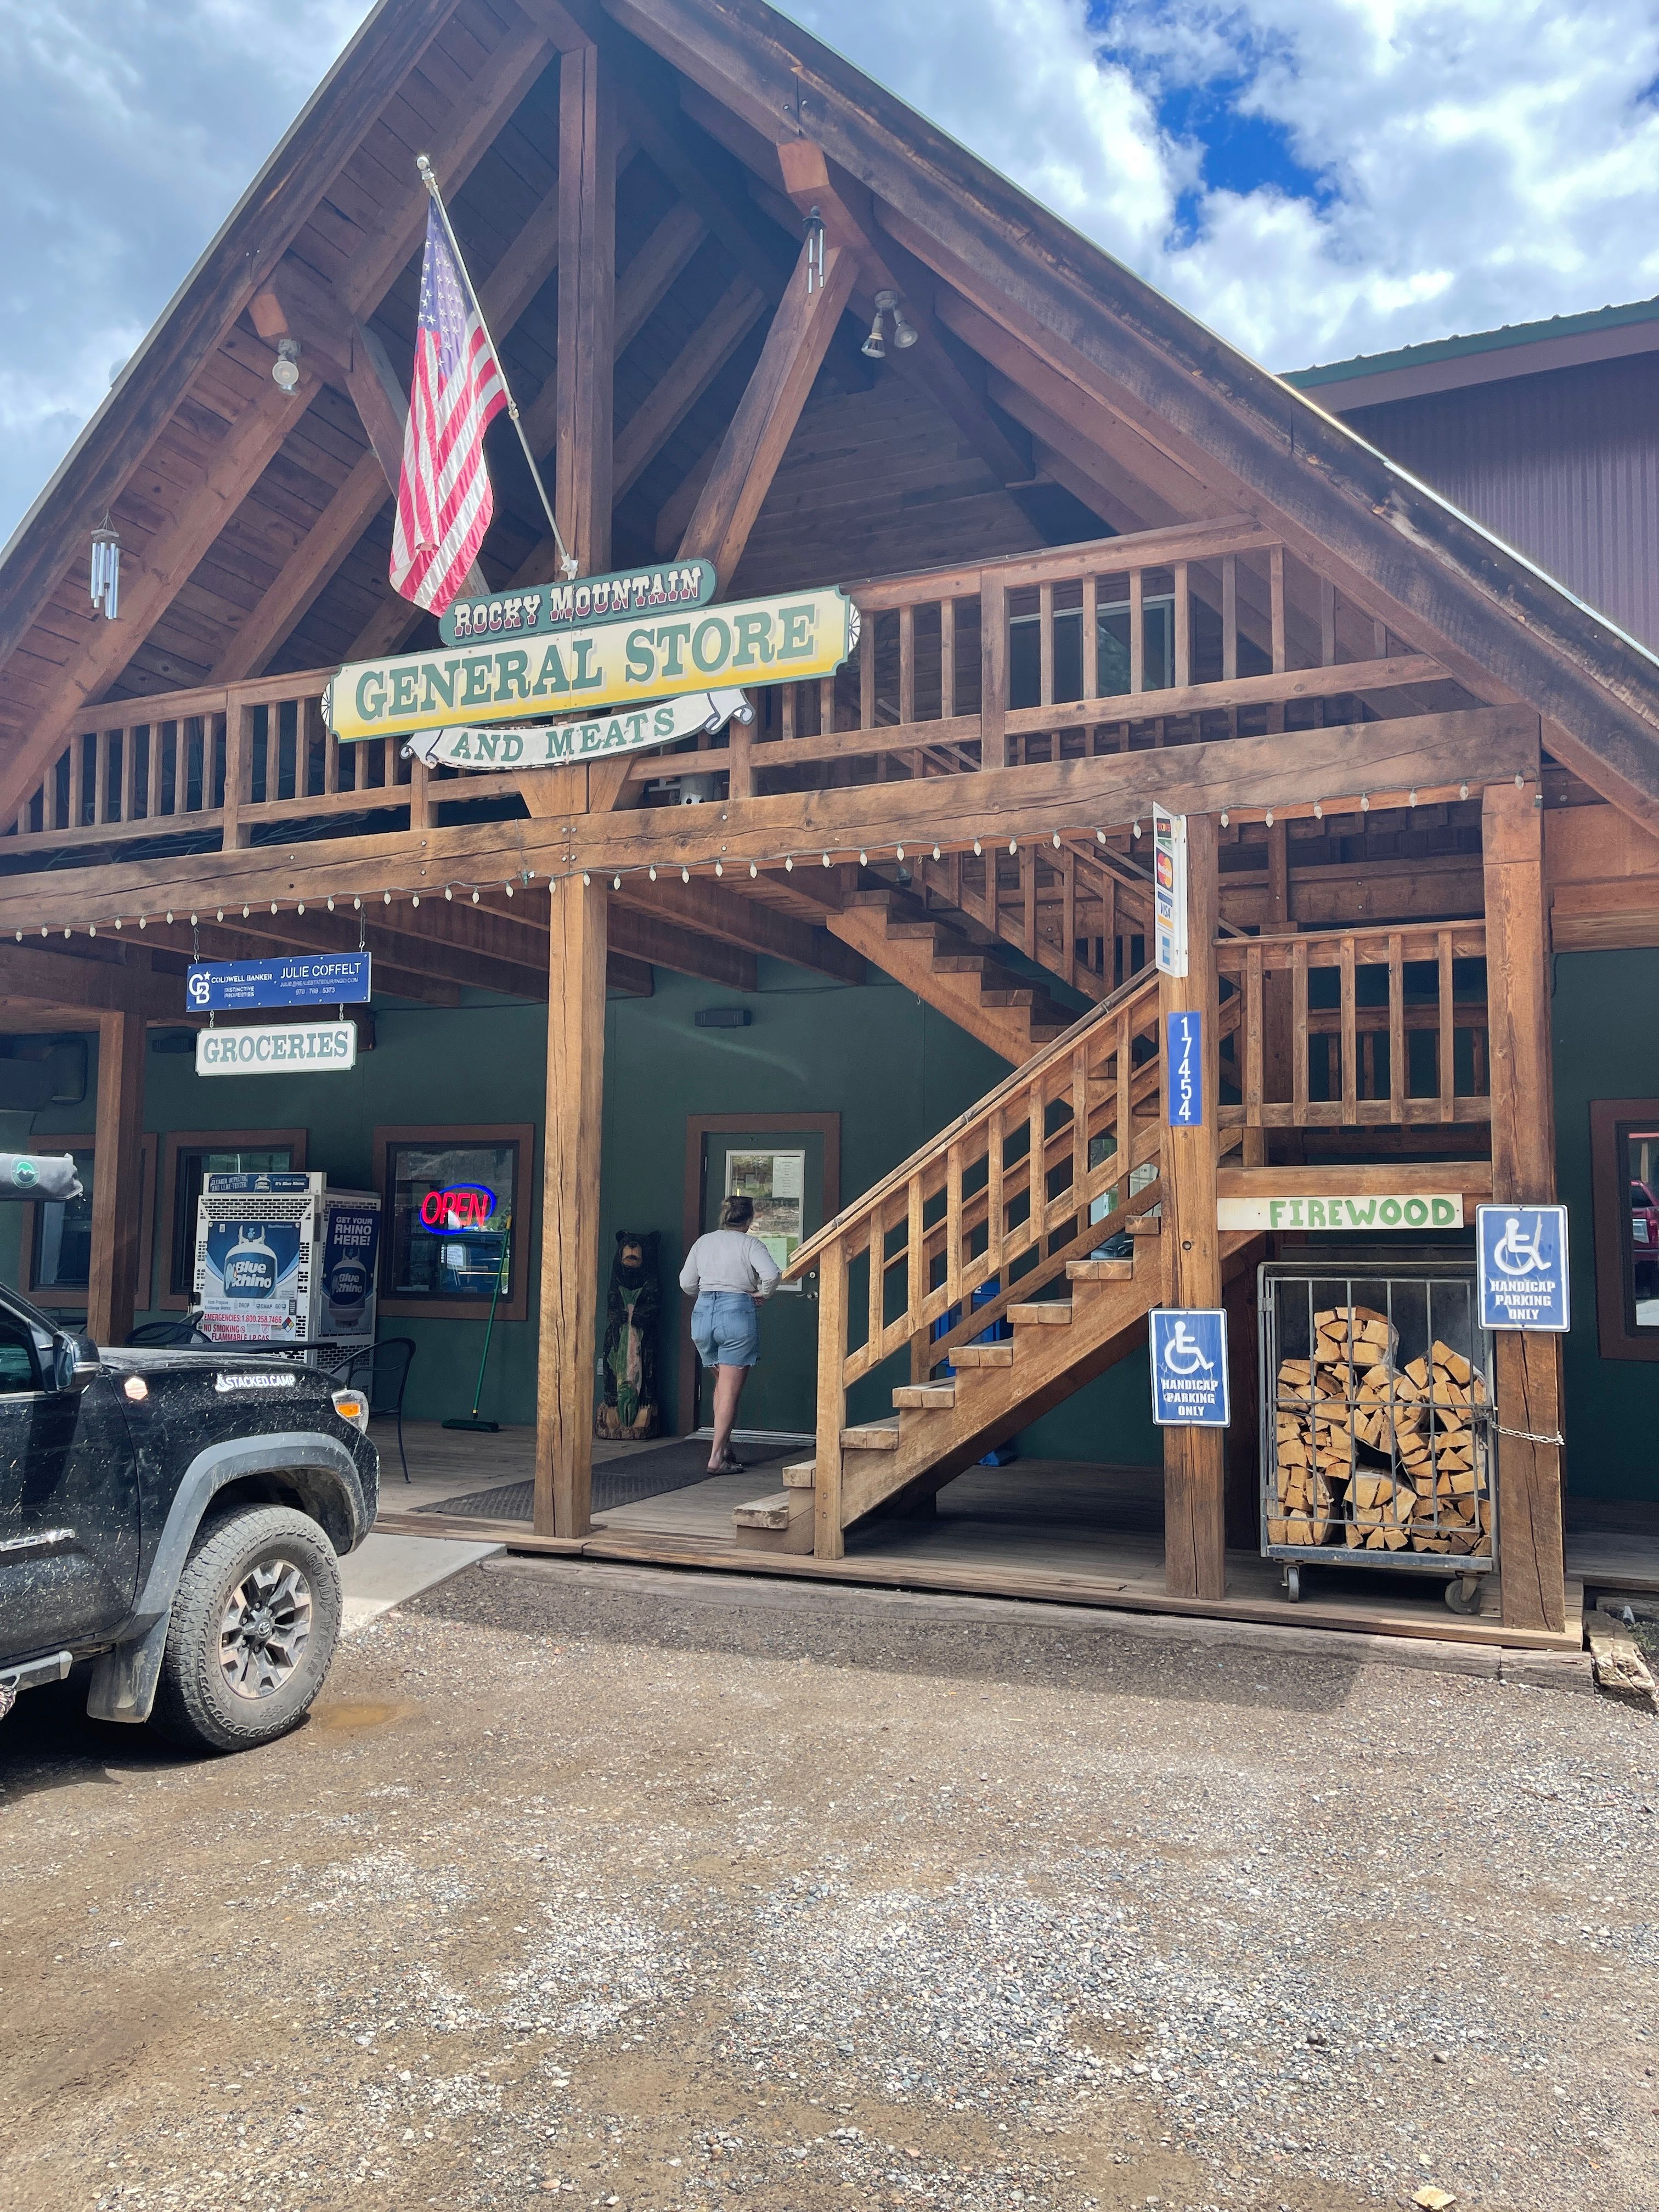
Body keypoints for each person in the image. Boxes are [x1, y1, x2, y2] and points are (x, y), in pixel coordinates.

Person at [680, 1194, 781, 1473]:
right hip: (736, 1313)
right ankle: (716, 1458)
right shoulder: (750, 1244)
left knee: (722, 1386)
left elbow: (686, 1282)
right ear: (750, 1219)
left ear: (724, 1217)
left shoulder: (704, 1242)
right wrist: (762, 1293)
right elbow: (771, 1275)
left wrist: (706, 1294)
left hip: (703, 1315)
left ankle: (723, 1447)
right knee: (730, 1392)